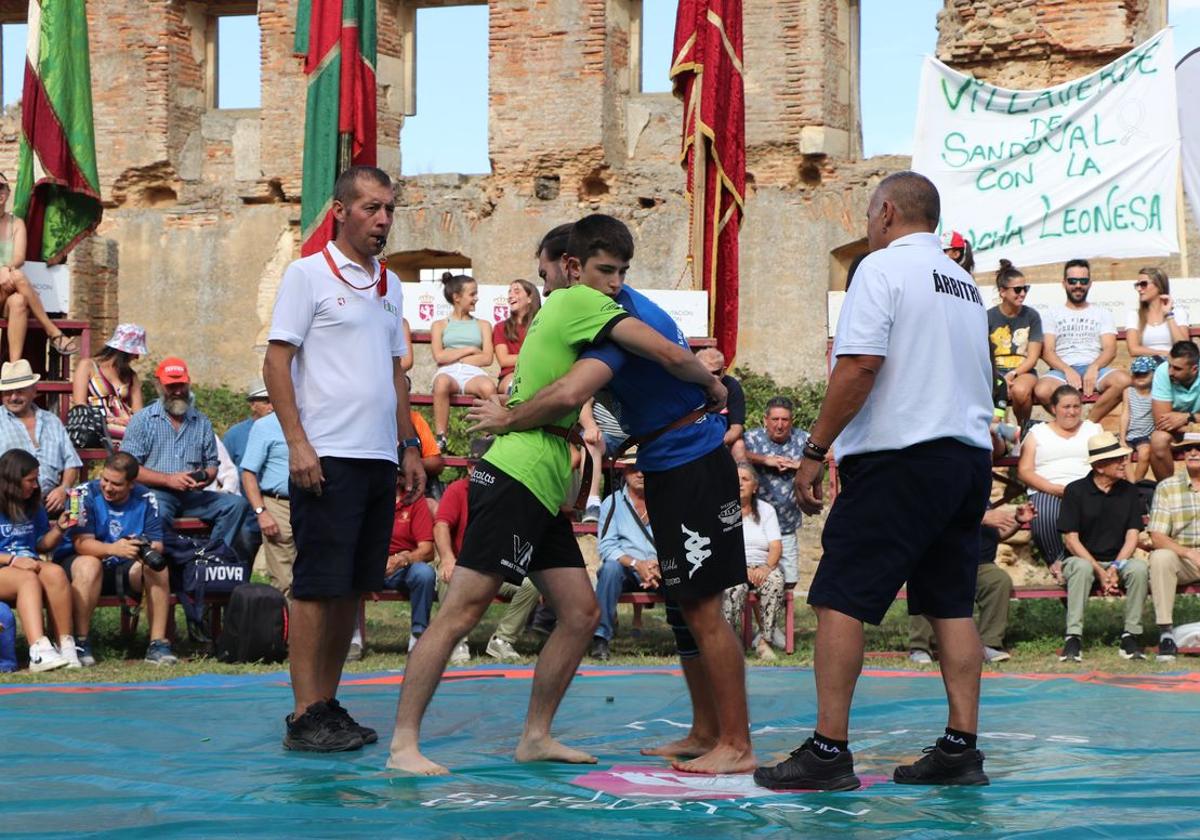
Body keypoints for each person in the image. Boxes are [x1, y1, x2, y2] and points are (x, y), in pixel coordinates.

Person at [390, 215, 725, 775]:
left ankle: (536, 736)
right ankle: (404, 743)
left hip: (542, 485)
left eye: (621, 272)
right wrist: (711, 382)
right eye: (605, 271)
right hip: (518, 475)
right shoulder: (578, 302)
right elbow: (663, 352)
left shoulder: (569, 307)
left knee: (579, 612)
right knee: (461, 610)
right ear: (575, 268)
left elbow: (589, 382)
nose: (615, 284)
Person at [760, 172, 994, 791]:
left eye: (868, 216)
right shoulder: (966, 285)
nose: (867, 227)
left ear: (886, 212)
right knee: (950, 601)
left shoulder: (881, 269)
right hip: (965, 456)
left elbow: (860, 365)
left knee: (840, 595)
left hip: (902, 457)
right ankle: (960, 747)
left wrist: (814, 449)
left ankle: (828, 750)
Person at [264, 165, 425, 753]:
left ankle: (327, 705)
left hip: (379, 458)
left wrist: (408, 445)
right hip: (326, 454)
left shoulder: (391, 285)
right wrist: (298, 443)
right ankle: (304, 712)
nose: (383, 220)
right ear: (340, 210)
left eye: (388, 209)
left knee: (352, 589)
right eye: (371, 208)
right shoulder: (307, 275)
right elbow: (276, 362)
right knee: (315, 587)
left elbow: (395, 373)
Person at [121, 356, 256, 560]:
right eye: (171, 386)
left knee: (236, 505)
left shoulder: (201, 421)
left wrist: (203, 478)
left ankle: (211, 558)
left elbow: (212, 466)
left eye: (181, 385)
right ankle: (169, 565)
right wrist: (168, 480)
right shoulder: (142, 420)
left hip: (192, 495)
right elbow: (129, 468)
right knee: (157, 511)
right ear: (159, 385)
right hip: (155, 493)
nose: (177, 391)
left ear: (188, 382)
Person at [55, 451, 174, 666]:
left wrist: (140, 545)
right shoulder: (82, 494)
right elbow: (81, 543)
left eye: (116, 484)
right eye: (105, 480)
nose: (108, 487)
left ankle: (157, 645)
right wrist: (114, 548)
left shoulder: (146, 497)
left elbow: (158, 543)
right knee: (89, 564)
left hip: (125, 565)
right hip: (80, 563)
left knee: (157, 567)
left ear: (131, 484)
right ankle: (81, 642)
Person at [431, 436, 541, 664]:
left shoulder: (507, 493)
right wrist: (447, 558)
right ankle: (456, 640)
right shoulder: (456, 490)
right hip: (461, 566)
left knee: (531, 583)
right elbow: (441, 525)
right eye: (480, 465)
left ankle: (503, 639)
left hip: (493, 568)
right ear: (470, 467)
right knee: (446, 575)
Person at [1057, 432, 1149, 662]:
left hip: (1119, 559)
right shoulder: (1075, 491)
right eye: (1117, 459)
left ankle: (1131, 635)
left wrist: (1115, 567)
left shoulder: (1129, 491)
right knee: (1081, 567)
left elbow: (1132, 536)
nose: (1124, 462)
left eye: (1123, 457)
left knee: (1138, 569)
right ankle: (1073, 637)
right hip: (1082, 559)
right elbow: (1071, 539)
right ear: (1099, 466)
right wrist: (1100, 570)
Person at [909, 503, 1033, 666]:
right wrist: (981, 517)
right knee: (925, 574)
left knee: (998, 580)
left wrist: (1017, 521)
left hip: (978, 564)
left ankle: (988, 644)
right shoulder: (941, 488)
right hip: (941, 560)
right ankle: (920, 647)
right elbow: (933, 516)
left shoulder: (981, 494)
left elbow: (995, 534)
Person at [0, 449, 79, 671]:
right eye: (30, 480)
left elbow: (41, 544)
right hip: (9, 567)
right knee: (27, 580)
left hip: (26, 563)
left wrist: (60, 529)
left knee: (55, 572)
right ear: (12, 480)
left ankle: (66, 646)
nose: (36, 485)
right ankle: (39, 650)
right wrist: (12, 559)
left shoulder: (32, 503)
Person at [1016, 385, 1102, 578]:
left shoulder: (1092, 429)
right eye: (1066, 407)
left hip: (1087, 488)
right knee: (1043, 513)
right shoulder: (1037, 433)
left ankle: (1084, 563)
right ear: (1054, 409)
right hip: (1047, 487)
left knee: (1096, 511)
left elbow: (1104, 462)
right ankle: (1058, 562)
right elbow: (1024, 470)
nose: (1072, 412)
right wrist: (1053, 488)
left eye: (1076, 406)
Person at [1033, 258, 1129, 422]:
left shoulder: (1102, 312)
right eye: (1073, 281)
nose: (1078, 285)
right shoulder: (1052, 314)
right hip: (1061, 370)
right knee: (1042, 390)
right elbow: (1048, 352)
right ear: (1064, 283)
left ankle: (1088, 425)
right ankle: (1069, 424)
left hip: (1095, 369)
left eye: (1083, 281)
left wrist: (1094, 367)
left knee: (1124, 381)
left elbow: (1110, 349)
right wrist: (1067, 370)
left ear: (1090, 284)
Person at [0, 172, 80, 361]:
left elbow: (19, 257)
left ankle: (14, 366)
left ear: (8, 192)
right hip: (7, 280)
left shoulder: (16, 223)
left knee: (19, 302)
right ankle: (53, 331)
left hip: (6, 289)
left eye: (1, 187)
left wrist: (5, 268)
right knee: (18, 276)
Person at [592, 449, 660, 661]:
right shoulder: (611, 503)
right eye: (633, 468)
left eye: (645, 468)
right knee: (610, 568)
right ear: (624, 472)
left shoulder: (667, 500)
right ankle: (600, 638)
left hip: (661, 568)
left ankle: (690, 636)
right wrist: (636, 563)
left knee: (683, 569)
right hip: (627, 570)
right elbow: (607, 547)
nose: (640, 473)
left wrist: (659, 565)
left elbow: (677, 539)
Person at [0, 359, 81, 516]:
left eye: (20, 391)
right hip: (8, 505)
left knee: (82, 510)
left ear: (34, 391)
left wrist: (63, 488)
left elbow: (72, 461)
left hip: (51, 503)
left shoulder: (51, 420)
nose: (13, 397)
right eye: (8, 392)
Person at [1146, 431, 1200, 661]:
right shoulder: (1167, 487)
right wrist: (1187, 552)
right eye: (1188, 449)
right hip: (1184, 558)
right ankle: (1166, 632)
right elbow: (1157, 535)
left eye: (1199, 448)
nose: (1193, 452)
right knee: (1160, 557)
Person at [744, 396, 808, 591]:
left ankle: (781, 621)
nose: (780, 425)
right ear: (765, 420)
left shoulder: (802, 438)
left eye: (785, 420)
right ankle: (756, 621)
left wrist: (801, 465)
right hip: (757, 525)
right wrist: (764, 460)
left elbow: (831, 452)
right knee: (753, 579)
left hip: (787, 523)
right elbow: (734, 453)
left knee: (789, 579)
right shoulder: (752, 438)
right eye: (775, 419)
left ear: (792, 421)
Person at [722, 463, 784, 661]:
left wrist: (766, 568)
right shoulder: (722, 511)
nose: (739, 484)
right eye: (735, 479)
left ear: (755, 487)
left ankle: (765, 642)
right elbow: (719, 547)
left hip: (762, 566)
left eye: (745, 480)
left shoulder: (766, 511)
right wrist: (741, 568)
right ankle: (731, 644)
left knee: (775, 581)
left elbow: (775, 546)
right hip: (733, 566)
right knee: (733, 587)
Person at [430, 272, 495, 451]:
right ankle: (441, 437)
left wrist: (455, 355)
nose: (476, 298)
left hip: (472, 373)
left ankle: (489, 435)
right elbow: (439, 356)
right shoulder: (439, 325)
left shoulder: (483, 325)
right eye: (472, 294)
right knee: (441, 383)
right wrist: (471, 349)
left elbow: (487, 358)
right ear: (457, 297)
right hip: (447, 372)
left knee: (488, 388)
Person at [240, 400, 294, 597]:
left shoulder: (319, 421)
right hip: (278, 503)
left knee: (316, 577)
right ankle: (288, 627)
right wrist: (261, 512)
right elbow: (248, 473)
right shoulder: (265, 426)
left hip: (315, 503)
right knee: (284, 580)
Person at [987, 259, 1042, 429]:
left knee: (1020, 391)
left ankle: (1022, 431)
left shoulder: (1031, 315)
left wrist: (1011, 375)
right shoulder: (988, 317)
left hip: (1022, 371)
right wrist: (999, 378)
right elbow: (984, 354)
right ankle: (996, 435)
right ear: (1002, 292)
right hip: (994, 371)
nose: (1023, 294)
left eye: (1025, 288)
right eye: (1018, 289)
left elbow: (1032, 358)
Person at [70, 323, 147, 442]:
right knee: (139, 438)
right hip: (97, 424)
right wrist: (109, 420)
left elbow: (139, 412)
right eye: (135, 353)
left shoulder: (131, 376)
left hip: (127, 424)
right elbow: (80, 404)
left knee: (150, 434)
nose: (137, 357)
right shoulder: (88, 366)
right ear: (124, 352)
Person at [383, 487, 436, 653]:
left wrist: (402, 559)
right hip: (369, 562)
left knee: (424, 574)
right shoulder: (366, 496)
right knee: (347, 570)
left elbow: (427, 550)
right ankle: (352, 638)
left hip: (403, 565)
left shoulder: (415, 501)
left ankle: (418, 634)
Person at [1148, 340, 1200, 480]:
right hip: (1178, 433)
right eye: (1170, 365)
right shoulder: (1163, 371)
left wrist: (1188, 417)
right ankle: (1167, 493)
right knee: (1158, 439)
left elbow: (1177, 420)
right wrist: (1194, 425)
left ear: (1194, 369)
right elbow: (1162, 422)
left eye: (1177, 368)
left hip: (1185, 427)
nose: (1170, 371)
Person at [1125, 267, 1187, 359]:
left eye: (1143, 284)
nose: (1139, 289)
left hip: (1172, 363)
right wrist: (1162, 353)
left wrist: (1168, 314)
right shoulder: (1134, 315)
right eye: (1137, 285)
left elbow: (1184, 348)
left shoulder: (1178, 313)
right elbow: (1133, 349)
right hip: (1147, 364)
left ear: (1159, 285)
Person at [697, 348, 747, 461]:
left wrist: (715, 443)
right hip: (694, 438)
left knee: (739, 446)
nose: (711, 377)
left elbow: (737, 428)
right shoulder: (689, 386)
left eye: (716, 372)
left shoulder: (732, 386)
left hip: (722, 439)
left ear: (723, 371)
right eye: (706, 372)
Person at [494, 279, 541, 394]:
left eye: (516, 291)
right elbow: (504, 360)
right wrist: (534, 357)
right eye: (509, 292)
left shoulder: (542, 324)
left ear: (530, 298)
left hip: (539, 372)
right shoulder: (500, 327)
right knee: (516, 388)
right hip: (511, 374)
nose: (510, 296)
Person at [223, 382, 274, 479]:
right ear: (252, 405)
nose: (272, 407)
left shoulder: (284, 432)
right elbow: (223, 469)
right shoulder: (235, 434)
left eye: (275, 402)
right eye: (266, 402)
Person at [1121, 356, 1157, 483]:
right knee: (1125, 455)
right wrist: (1122, 438)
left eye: (1144, 374)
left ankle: (1137, 482)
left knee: (1145, 453)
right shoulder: (1128, 391)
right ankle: (1130, 485)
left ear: (1153, 374)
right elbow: (1125, 413)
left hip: (1146, 435)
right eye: (1137, 374)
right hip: (1130, 433)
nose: (1140, 377)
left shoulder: (1156, 392)